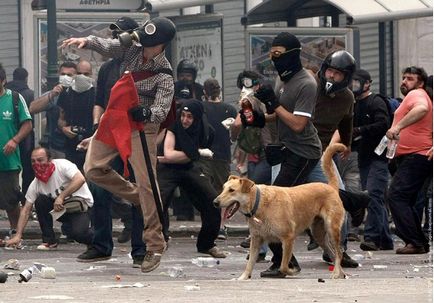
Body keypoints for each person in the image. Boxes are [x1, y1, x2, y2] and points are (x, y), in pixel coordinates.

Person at [61, 16, 176, 273]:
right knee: (92, 169)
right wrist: (86, 40)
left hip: (141, 127)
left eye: (149, 43)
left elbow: (162, 108)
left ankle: (155, 245)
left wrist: (147, 114)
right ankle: (138, 198)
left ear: (161, 44)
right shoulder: (133, 49)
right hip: (114, 120)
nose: (144, 46)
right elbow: (108, 46)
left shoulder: (165, 73)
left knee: (148, 183)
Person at [245, 32, 323, 278]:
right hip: (288, 149)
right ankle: (288, 262)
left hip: (304, 151)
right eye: (271, 55)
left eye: (278, 55)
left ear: (292, 55)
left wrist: (274, 104)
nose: (274, 59)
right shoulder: (282, 79)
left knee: (273, 205)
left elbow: (298, 124)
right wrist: (258, 118)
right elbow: (278, 115)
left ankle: (287, 264)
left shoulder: (306, 84)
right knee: (326, 193)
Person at [76, 17, 144, 265]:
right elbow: (100, 103)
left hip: (136, 135)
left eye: (121, 34)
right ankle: (102, 245)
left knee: (142, 188)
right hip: (110, 135)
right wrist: (96, 131)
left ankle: (141, 250)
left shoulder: (143, 65)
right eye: (114, 34)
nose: (117, 38)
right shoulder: (107, 69)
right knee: (97, 184)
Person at [306, 50, 362, 268]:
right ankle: (267, 251)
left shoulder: (347, 97)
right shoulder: (311, 87)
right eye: (329, 71)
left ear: (345, 77)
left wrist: (346, 144)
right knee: (273, 197)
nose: (331, 76)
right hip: (296, 150)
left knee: (337, 199)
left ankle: (338, 250)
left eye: (337, 74)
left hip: (321, 154)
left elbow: (347, 121)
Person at [157, 99, 226, 258]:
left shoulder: (206, 131)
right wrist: (197, 152)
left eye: (189, 117)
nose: (185, 120)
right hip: (168, 169)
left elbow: (187, 158)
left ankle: (206, 244)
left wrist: (192, 155)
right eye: (183, 115)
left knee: (213, 201)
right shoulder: (174, 127)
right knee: (158, 202)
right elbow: (169, 155)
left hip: (189, 168)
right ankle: (160, 240)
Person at [6, 147, 93, 250]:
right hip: (60, 211)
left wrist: (61, 196)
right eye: (33, 161)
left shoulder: (62, 165)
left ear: (49, 159)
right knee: (40, 200)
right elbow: (26, 210)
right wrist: (18, 235)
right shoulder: (36, 184)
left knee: (78, 234)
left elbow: (80, 179)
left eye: (40, 160)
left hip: (80, 208)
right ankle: (49, 240)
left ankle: (98, 239)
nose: (37, 164)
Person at [386, 66, 432, 254]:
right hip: (414, 157)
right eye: (404, 77)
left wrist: (398, 128)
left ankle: (416, 241)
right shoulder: (417, 96)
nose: (404, 81)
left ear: (420, 83)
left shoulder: (417, 95)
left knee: (396, 196)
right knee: (408, 200)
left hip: (416, 156)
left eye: (410, 78)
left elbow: (422, 109)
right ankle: (418, 241)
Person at [350, 68, 394, 251]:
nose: (354, 86)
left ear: (367, 83)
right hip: (364, 157)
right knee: (374, 197)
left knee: (373, 196)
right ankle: (385, 240)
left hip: (378, 158)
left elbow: (383, 124)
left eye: (357, 82)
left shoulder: (375, 102)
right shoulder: (353, 104)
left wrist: (360, 131)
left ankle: (372, 237)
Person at [200, 78, 237, 240]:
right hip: (223, 154)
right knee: (224, 191)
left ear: (204, 93)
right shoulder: (229, 109)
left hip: (204, 154)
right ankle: (221, 226)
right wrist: (232, 139)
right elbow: (236, 128)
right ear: (219, 91)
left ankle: (208, 224)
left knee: (205, 191)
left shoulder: (201, 108)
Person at [0, 63, 32, 239]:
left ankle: (15, 232)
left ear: (3, 81)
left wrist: (15, 140)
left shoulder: (15, 98)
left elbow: (27, 124)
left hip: (8, 161)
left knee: (11, 199)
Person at [29, 61, 77, 159]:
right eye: (63, 74)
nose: (66, 77)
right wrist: (52, 94)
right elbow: (32, 108)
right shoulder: (55, 94)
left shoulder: (82, 94)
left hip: (77, 147)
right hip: (57, 148)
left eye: (69, 75)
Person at [58, 60, 95, 170]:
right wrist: (64, 128)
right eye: (79, 73)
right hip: (70, 144)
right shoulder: (66, 93)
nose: (82, 76)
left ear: (91, 75)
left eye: (86, 74)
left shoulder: (96, 94)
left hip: (91, 143)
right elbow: (61, 118)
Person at [5, 67, 35, 194]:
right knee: (27, 167)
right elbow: (28, 121)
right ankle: (24, 194)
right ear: (26, 78)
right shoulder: (29, 94)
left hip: (9, 138)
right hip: (24, 138)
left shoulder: (8, 92)